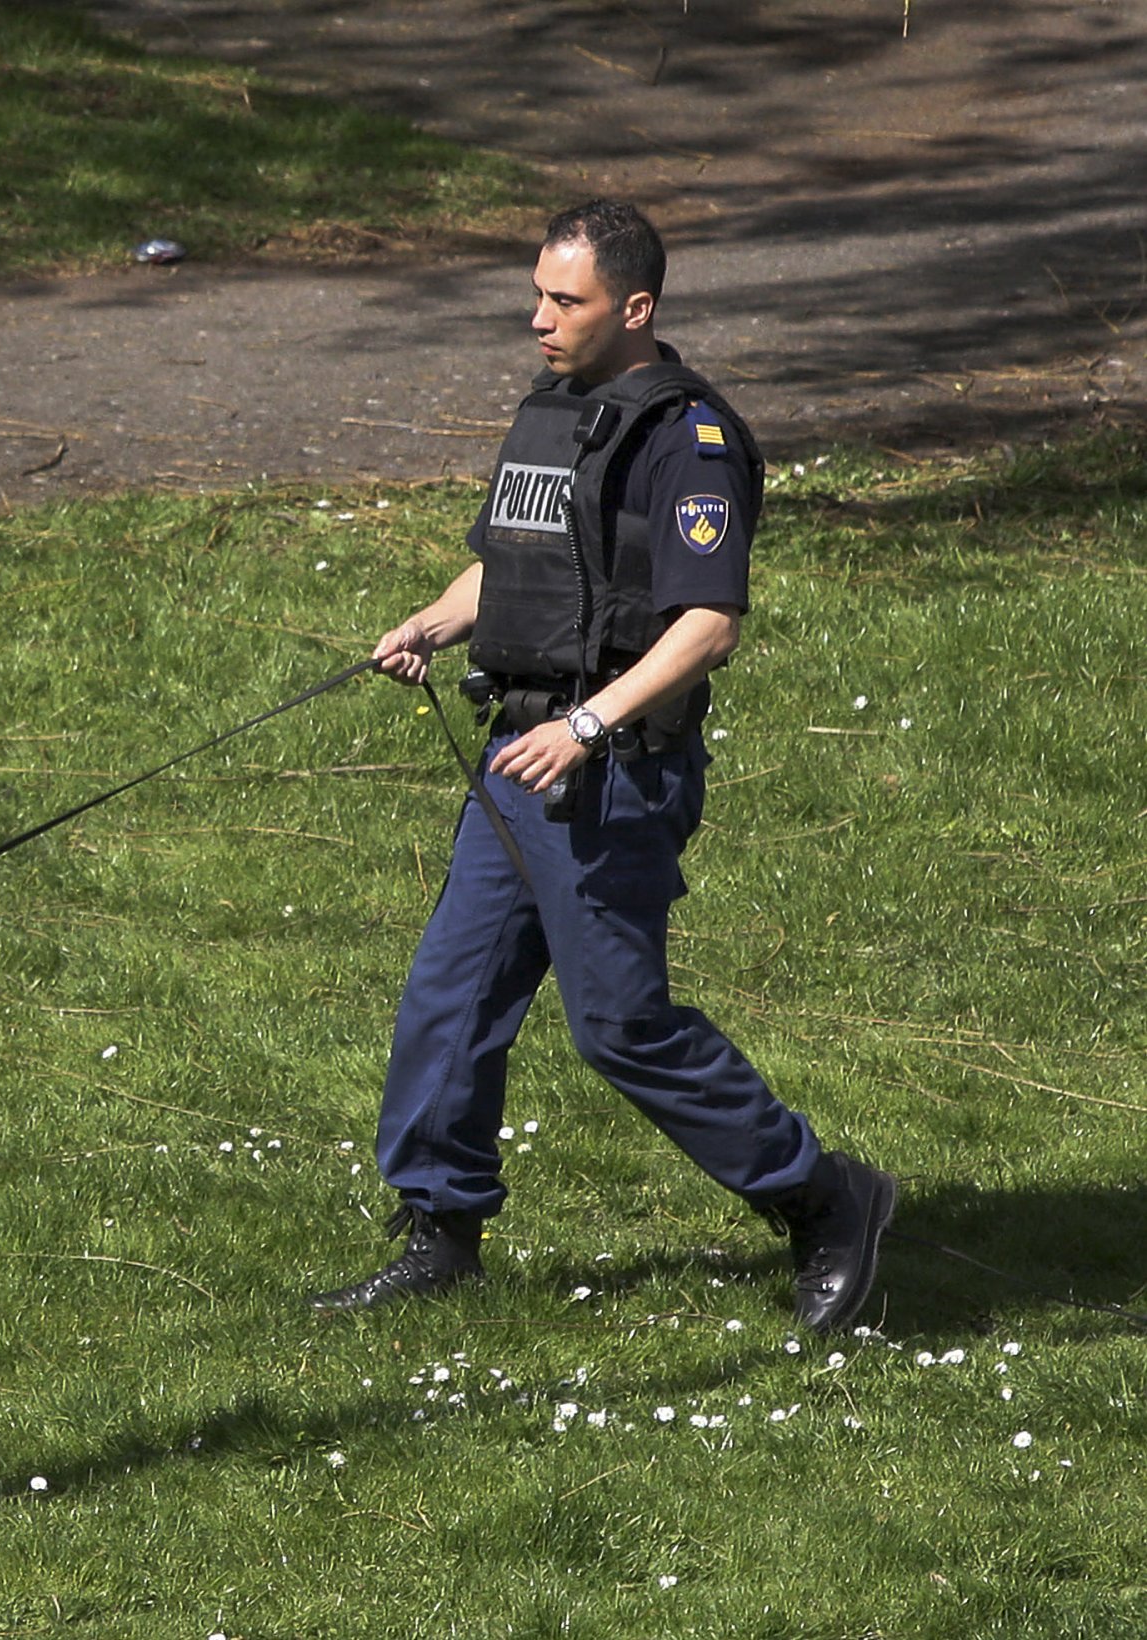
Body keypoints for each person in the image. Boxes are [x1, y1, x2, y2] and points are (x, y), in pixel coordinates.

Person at [310, 200, 893, 1335]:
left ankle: (824, 1196)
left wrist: (586, 726)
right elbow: (516, 563)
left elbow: (706, 625)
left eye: (563, 301)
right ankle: (440, 1227)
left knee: (619, 1027)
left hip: (609, 771)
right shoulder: (554, 413)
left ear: (634, 308)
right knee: (451, 992)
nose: (536, 319)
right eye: (535, 294)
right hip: (515, 762)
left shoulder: (689, 442)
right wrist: (432, 621)